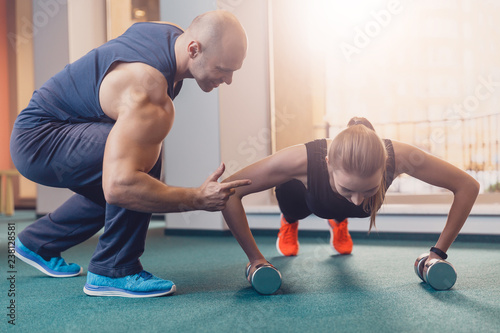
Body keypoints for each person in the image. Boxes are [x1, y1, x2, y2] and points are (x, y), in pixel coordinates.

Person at [10, 10, 250, 298]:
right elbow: (121, 187)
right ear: (194, 49)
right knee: (134, 170)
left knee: (131, 156)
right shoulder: (147, 94)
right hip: (38, 140)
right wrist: (196, 198)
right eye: (223, 69)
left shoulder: (172, 35)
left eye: (234, 70)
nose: (229, 80)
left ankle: (39, 242)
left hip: (56, 126)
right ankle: (114, 269)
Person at [221, 117, 480, 284]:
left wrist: (437, 253)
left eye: (368, 190)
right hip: (302, 197)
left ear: (386, 166)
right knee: (294, 207)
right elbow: (228, 191)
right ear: (328, 164)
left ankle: (338, 221)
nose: (357, 202)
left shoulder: (400, 157)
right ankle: (288, 222)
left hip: (330, 199)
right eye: (347, 190)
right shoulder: (300, 160)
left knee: (345, 204)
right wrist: (255, 258)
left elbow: (467, 186)